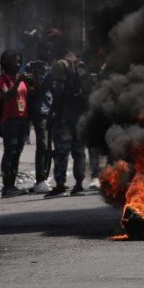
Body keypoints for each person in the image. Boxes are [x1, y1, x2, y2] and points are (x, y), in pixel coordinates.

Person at [42, 45, 90, 196]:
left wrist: (52, 113)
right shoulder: (81, 66)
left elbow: (58, 91)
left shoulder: (60, 65)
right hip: (80, 116)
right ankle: (79, 185)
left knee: (61, 152)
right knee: (79, 152)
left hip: (64, 116)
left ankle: (60, 186)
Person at [21, 37, 54, 194]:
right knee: (42, 145)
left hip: (49, 110)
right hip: (37, 111)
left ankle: (44, 178)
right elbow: (32, 88)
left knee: (48, 147)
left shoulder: (50, 68)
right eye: (45, 50)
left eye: (49, 50)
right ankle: (40, 179)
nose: (47, 53)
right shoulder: (31, 67)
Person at [0, 50, 29, 196]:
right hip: (10, 121)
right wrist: (17, 82)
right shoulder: (2, 79)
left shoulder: (20, 79)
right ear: (7, 63)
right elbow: (7, 96)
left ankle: (12, 186)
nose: (18, 64)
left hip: (22, 120)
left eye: (20, 61)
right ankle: (6, 186)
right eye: (16, 61)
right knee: (9, 152)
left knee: (17, 154)